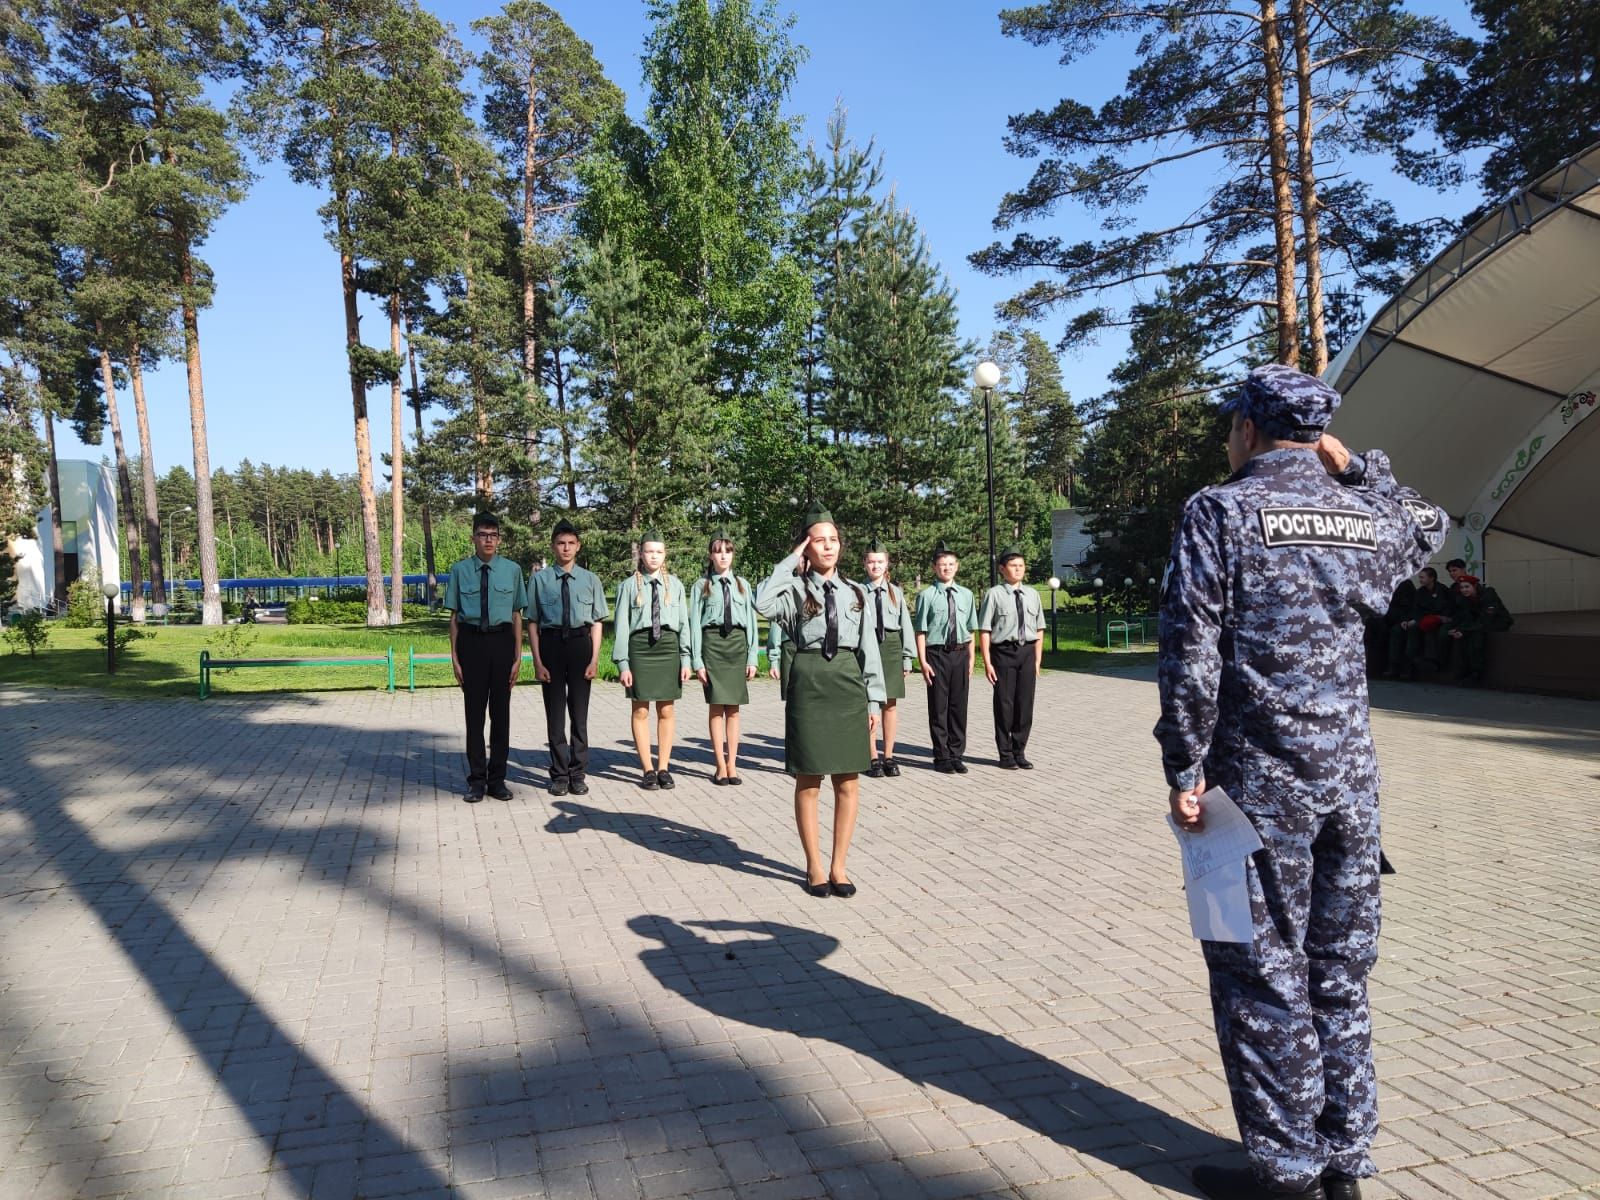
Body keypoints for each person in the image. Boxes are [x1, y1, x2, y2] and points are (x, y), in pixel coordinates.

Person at [1156, 364, 1448, 1200]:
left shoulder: (1219, 511)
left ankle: (1287, 1172)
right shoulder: (1362, 513)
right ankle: (1346, 1164)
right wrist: (1355, 467)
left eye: (1229, 425)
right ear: (1314, 434)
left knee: (1260, 974)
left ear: (1248, 428)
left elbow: (1190, 654)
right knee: (1340, 973)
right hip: (1352, 790)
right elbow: (1430, 522)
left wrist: (1185, 765)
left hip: (1254, 790)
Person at [756, 503, 886, 898]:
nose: (828, 547)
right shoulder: (792, 590)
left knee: (847, 779)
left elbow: (869, 651)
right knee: (809, 778)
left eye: (833, 540)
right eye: (818, 540)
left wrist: (873, 701)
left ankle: (839, 865)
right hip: (809, 682)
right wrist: (790, 560)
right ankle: (814, 865)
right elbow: (762, 603)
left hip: (847, 684)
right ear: (806, 547)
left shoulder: (856, 593)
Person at [445, 512, 528, 802]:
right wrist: (455, 657)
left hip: (502, 643)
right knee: (474, 716)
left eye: (493, 535)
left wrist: (518, 656)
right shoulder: (460, 571)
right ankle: (477, 781)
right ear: (473, 538)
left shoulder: (513, 570)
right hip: (472, 644)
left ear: (500, 539)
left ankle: (498, 780)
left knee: (501, 716)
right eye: (483, 534)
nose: (488, 540)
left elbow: (517, 615)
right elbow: (454, 618)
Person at [526, 518, 608, 797]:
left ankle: (578, 773)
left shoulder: (590, 580)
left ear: (578, 546)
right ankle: (559, 775)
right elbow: (533, 623)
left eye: (571, 543)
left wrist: (594, 658)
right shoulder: (539, 580)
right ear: (553, 546)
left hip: (579, 645)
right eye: (561, 543)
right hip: (551, 646)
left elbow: (597, 621)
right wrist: (537, 661)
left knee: (579, 714)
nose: (566, 548)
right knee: (555, 714)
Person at [614, 531, 692, 790]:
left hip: (668, 648)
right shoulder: (628, 586)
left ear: (665, 554)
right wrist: (623, 663)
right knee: (641, 709)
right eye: (649, 551)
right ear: (641, 554)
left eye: (659, 552)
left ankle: (663, 767)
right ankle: (647, 768)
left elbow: (683, 624)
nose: (654, 556)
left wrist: (686, 658)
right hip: (640, 649)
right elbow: (622, 626)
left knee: (666, 709)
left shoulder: (677, 586)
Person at [689, 527, 760, 784]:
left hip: (737, 647)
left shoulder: (743, 585)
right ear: (710, 556)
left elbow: (751, 624)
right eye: (718, 552)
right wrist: (697, 661)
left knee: (734, 709)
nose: (723, 557)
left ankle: (733, 764)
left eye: (727, 552)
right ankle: (719, 764)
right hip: (713, 646)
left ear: (733, 554)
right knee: (716, 706)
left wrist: (753, 657)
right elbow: (694, 625)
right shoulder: (701, 586)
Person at [978, 545, 1046, 769]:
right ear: (1002, 569)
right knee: (1004, 704)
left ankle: (1020, 750)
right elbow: (985, 630)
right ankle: (1005, 753)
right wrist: (987, 662)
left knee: (1025, 704)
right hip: (1004, 653)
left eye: (1021, 566)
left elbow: (1039, 629)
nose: (1018, 570)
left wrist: (1037, 659)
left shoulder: (1032, 594)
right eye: (1013, 566)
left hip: (1026, 652)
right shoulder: (994, 594)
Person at [914, 541, 977, 773]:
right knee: (939, 707)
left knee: (959, 706)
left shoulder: (966, 595)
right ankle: (941, 756)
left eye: (950, 564)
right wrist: (923, 661)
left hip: (960, 654)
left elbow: (971, 629)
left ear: (957, 566)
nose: (947, 568)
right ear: (934, 568)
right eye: (942, 564)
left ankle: (956, 754)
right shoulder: (927, 596)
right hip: (937, 655)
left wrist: (971, 657)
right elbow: (920, 631)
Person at [860, 539, 916, 778]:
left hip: (891, 647)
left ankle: (889, 755)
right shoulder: (858, 591)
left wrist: (907, 657)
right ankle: (871, 756)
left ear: (887, 564)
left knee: (890, 704)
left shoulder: (896, 592)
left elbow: (906, 626)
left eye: (880, 562)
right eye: (871, 561)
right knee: (870, 703)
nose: (876, 566)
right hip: (867, 647)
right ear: (865, 564)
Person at [1445, 574, 1513, 686]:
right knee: (1464, 636)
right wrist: (1457, 629)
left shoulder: (1488, 595)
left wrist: (1465, 630)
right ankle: (1465, 669)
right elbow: (1466, 617)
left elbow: (1486, 620)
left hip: (1497, 621)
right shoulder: (1464, 599)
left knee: (1476, 635)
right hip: (1479, 622)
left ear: (1475, 586)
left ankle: (1477, 673)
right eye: (1461, 588)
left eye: (1467, 587)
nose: (1464, 590)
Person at [1387, 566, 1454, 679]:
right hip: (1420, 620)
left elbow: (1443, 610)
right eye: (1419, 577)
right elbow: (1414, 609)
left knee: (1414, 629)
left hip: (1436, 621)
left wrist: (1417, 620)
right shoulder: (1420, 592)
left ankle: (1410, 667)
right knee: (1397, 630)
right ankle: (1394, 665)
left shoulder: (1443, 590)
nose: (1420, 580)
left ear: (1432, 578)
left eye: (1423, 577)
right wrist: (1406, 620)